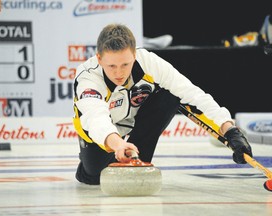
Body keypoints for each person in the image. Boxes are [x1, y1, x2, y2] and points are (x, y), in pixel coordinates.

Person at [73, 23, 253, 185]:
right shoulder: (88, 77)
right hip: (101, 134)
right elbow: (96, 117)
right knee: (96, 177)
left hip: (134, 121)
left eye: (125, 64)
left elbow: (192, 93)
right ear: (99, 58)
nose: (119, 73)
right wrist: (118, 144)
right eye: (112, 66)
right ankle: (92, 165)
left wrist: (229, 129)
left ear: (135, 55)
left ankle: (139, 160)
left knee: (171, 95)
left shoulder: (149, 62)